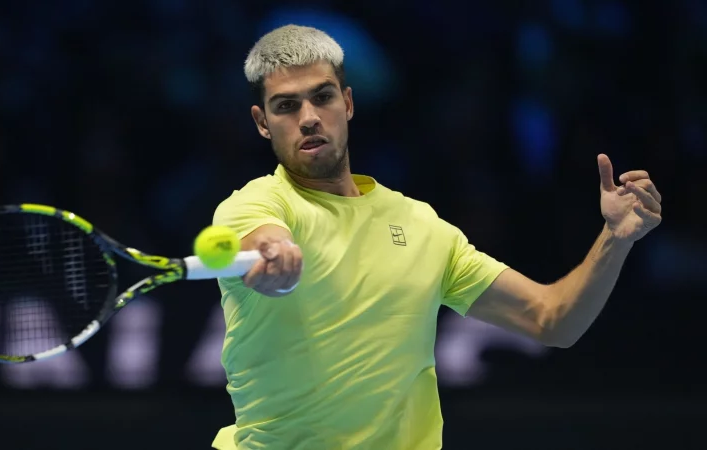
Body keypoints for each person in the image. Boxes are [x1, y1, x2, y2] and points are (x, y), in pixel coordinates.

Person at [210, 24, 662, 450]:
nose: (308, 118)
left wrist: (615, 238)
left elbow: (553, 320)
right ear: (262, 122)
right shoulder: (255, 205)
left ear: (347, 103)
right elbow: (264, 242)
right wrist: (274, 260)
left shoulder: (422, 225)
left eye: (322, 97)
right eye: (286, 105)